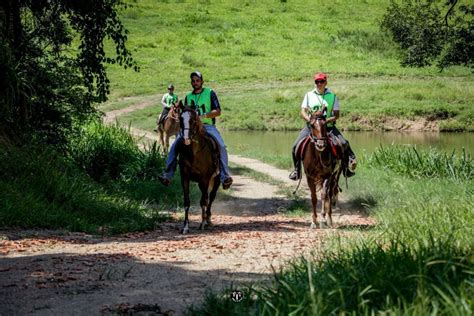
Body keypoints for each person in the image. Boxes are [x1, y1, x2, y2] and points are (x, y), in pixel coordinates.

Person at [158, 71, 233, 189]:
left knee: (222, 146)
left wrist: (203, 116)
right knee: (175, 145)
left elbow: (218, 111)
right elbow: (186, 114)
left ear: (202, 81)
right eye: (193, 81)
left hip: (207, 126)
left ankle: (224, 176)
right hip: (191, 128)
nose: (195, 83)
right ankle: (167, 175)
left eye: (197, 80)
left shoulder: (210, 93)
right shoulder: (188, 96)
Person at [289, 72, 357, 180]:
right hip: (312, 127)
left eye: (321, 81)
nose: (319, 84)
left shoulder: (332, 96)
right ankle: (297, 171)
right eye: (317, 82)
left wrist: (325, 121)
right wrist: (311, 120)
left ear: (326, 82)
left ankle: (346, 168)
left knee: (344, 143)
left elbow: (337, 115)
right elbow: (302, 111)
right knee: (295, 146)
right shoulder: (309, 95)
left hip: (328, 127)